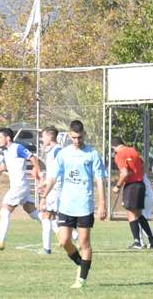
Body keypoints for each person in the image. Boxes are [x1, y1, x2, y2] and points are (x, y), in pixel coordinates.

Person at [40, 120, 107, 290]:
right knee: (64, 241)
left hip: (84, 205)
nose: (77, 141)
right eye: (74, 138)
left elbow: (99, 180)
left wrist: (102, 203)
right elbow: (53, 177)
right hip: (66, 205)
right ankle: (81, 263)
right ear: (70, 136)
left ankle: (82, 279)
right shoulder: (63, 154)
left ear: (84, 134)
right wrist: (44, 196)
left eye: (79, 137)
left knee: (84, 243)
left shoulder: (92, 154)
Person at [0, 127, 42, 251]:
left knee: (5, 211)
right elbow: (3, 167)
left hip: (19, 186)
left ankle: (0, 241)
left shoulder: (17, 148)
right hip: (21, 186)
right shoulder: (7, 151)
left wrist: (37, 170)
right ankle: (69, 234)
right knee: (35, 214)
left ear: (8, 138)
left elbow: (32, 157)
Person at [111, 137, 153, 249]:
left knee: (131, 213)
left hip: (132, 185)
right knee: (138, 213)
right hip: (140, 184)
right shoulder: (133, 150)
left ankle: (137, 242)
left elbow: (124, 173)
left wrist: (117, 186)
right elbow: (141, 165)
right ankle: (152, 240)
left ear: (114, 146)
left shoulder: (119, 155)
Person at [36, 126, 63, 255]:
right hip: (53, 186)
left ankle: (46, 248)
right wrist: (44, 183)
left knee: (46, 215)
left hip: (56, 188)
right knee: (51, 217)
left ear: (50, 136)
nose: (42, 139)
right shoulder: (52, 150)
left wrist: (47, 188)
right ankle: (72, 238)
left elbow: (58, 173)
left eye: (43, 136)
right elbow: (53, 172)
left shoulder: (58, 151)